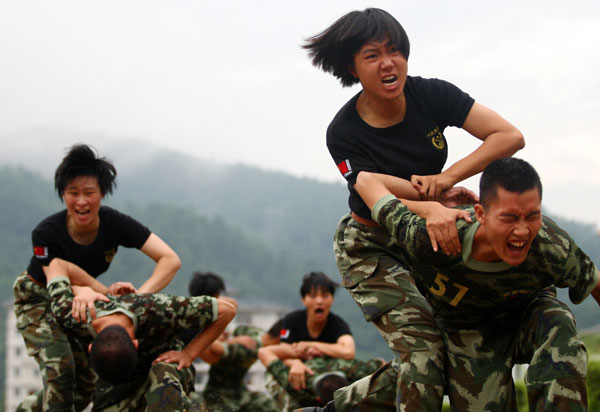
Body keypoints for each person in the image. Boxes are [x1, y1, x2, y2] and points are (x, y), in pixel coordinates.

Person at [302, 7, 524, 411]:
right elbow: (375, 192)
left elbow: (508, 136)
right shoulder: (343, 132)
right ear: (352, 66)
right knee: (422, 352)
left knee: (455, 347)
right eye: (372, 55)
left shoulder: (431, 95)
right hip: (372, 246)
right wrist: (430, 204)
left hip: (426, 238)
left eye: (395, 50)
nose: (388, 62)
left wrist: (446, 180)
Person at [298, 157, 600, 412]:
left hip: (527, 319)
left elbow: (595, 282)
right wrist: (427, 201)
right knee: (421, 366)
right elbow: (365, 188)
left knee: (559, 323)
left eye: (532, 216)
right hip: (465, 335)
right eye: (509, 218)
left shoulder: (550, 244)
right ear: (480, 213)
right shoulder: (432, 238)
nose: (522, 230)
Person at [13, 144, 182, 412]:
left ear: (102, 194)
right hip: (39, 298)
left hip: (83, 300)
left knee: (84, 390)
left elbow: (170, 260)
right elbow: (60, 277)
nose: (81, 201)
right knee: (62, 370)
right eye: (73, 193)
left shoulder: (115, 223)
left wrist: (136, 298)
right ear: (63, 195)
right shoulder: (45, 234)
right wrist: (96, 291)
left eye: (89, 193)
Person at [44, 257, 237, 411]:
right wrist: (84, 290)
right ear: (92, 347)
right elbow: (56, 264)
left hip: (165, 369)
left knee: (162, 373)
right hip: (118, 380)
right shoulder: (73, 314)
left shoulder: (158, 308)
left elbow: (226, 310)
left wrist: (188, 354)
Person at [258, 272, 357, 410]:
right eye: (313, 296)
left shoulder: (337, 323)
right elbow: (283, 352)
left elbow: (348, 351)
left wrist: (310, 345)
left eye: (324, 296)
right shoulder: (292, 320)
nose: (319, 301)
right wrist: (295, 362)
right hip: (296, 377)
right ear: (304, 300)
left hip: (325, 377)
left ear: (332, 299)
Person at [183, 271, 280, 412]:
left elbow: (233, 304)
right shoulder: (194, 323)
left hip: (239, 392)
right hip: (213, 393)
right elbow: (211, 356)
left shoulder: (214, 311)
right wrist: (232, 341)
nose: (221, 300)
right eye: (217, 296)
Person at [259, 344, 384, 411]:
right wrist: (298, 358)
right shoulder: (300, 382)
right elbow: (264, 352)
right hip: (298, 344)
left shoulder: (356, 371)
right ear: (318, 400)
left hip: (334, 348)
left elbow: (380, 363)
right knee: (272, 376)